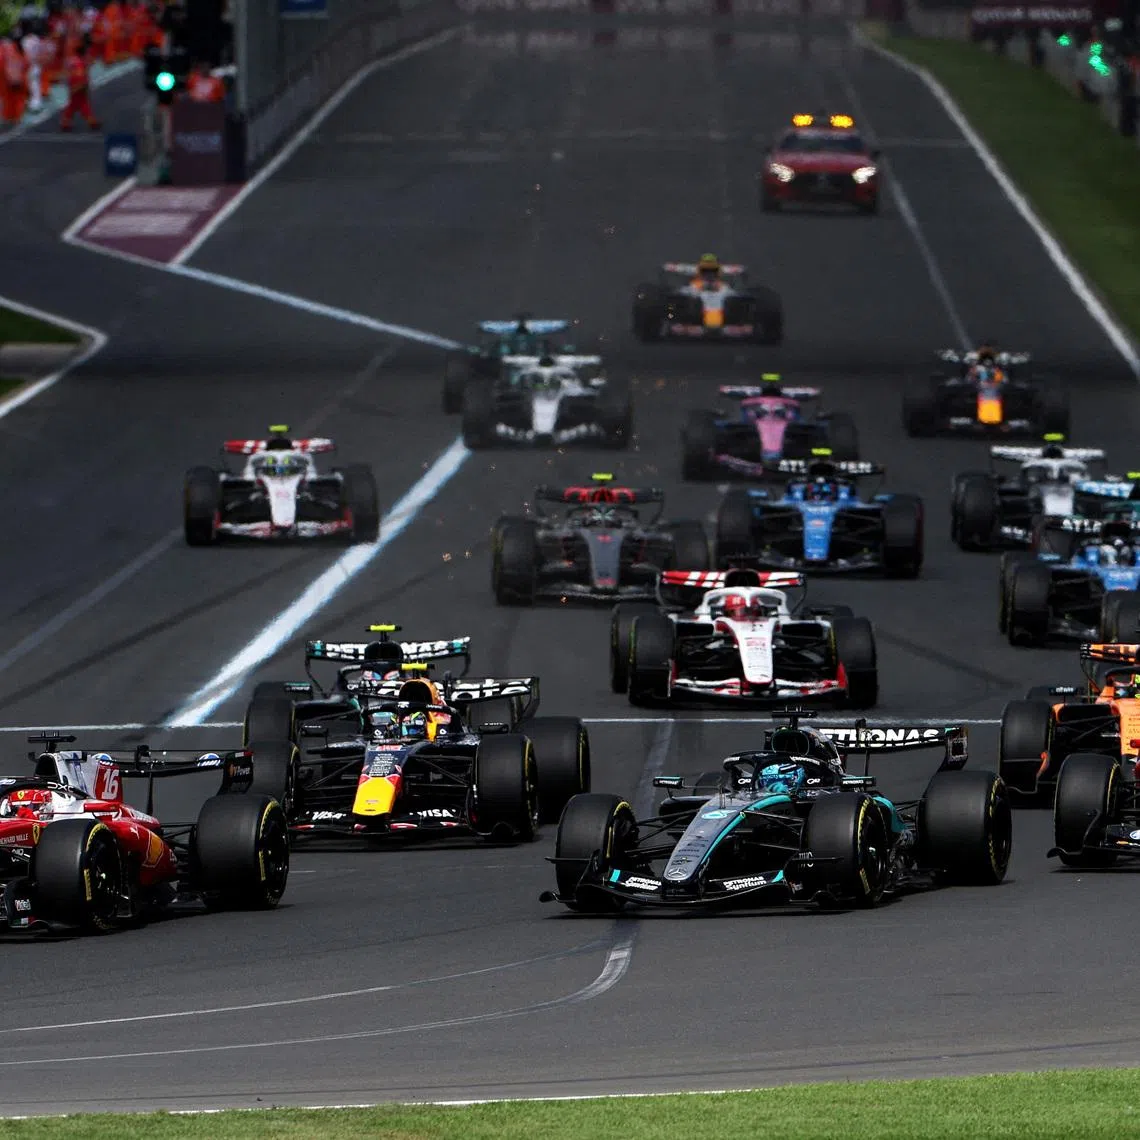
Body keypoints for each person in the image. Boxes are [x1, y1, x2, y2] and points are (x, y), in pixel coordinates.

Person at [60, 35, 100, 131]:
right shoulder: (78, 63)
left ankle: (90, 121)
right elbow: (79, 75)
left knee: (79, 103)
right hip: (78, 84)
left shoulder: (73, 60)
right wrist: (82, 84)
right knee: (78, 104)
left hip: (74, 84)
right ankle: (66, 122)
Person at [1, 34, 27, 124]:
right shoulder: (21, 52)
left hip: (7, 80)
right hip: (20, 79)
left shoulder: (5, 51)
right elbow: (27, 64)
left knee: (8, 99)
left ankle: (9, 116)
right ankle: (16, 116)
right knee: (18, 99)